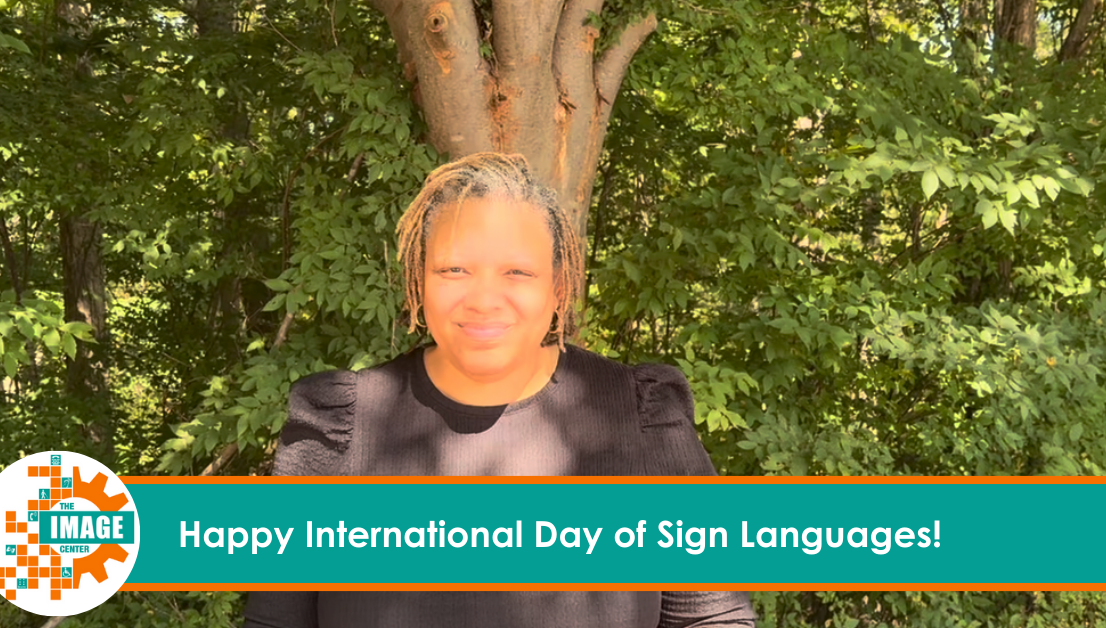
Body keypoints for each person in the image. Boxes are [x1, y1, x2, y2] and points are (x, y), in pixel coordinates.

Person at [242, 153, 756, 627]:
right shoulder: (336, 433)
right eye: (454, 269)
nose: (484, 300)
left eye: (517, 272)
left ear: (558, 287)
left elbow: (712, 618)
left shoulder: (643, 420)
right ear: (419, 282)